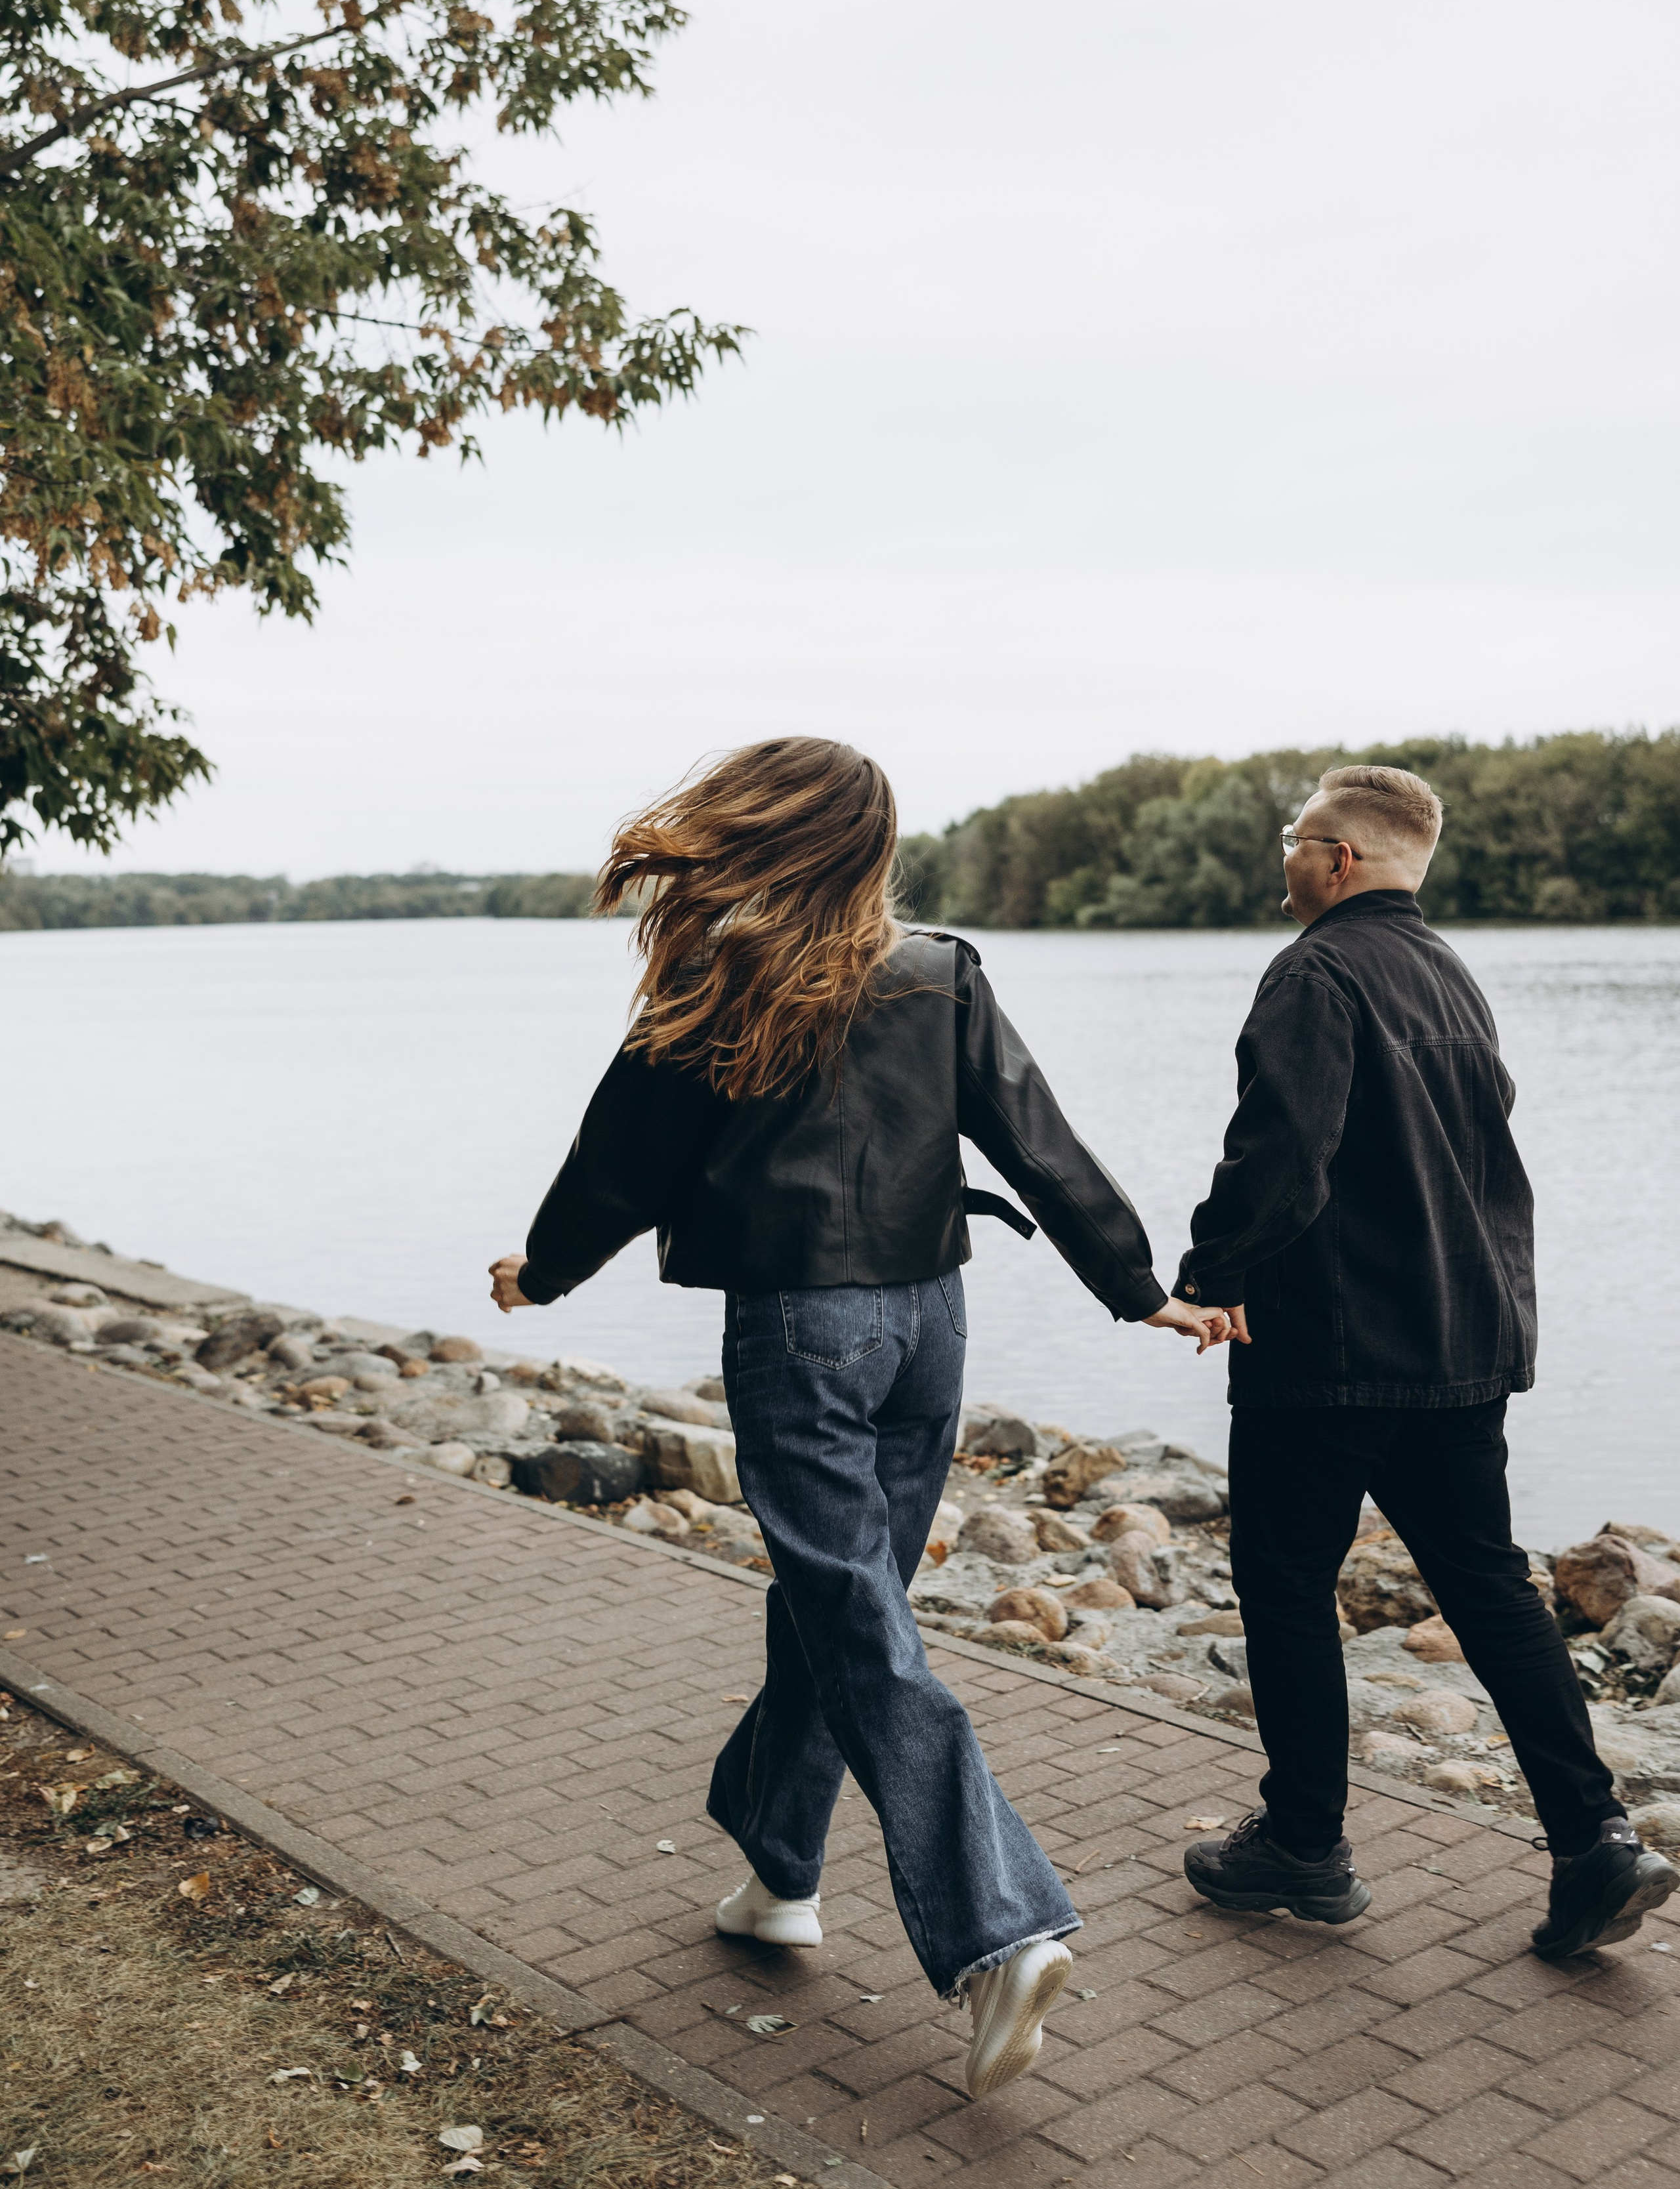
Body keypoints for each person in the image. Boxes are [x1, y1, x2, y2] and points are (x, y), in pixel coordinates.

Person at [489, 736, 1219, 2095]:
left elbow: (617, 1160)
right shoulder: (937, 970)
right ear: (865, 850)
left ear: (762, 836)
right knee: (839, 1600)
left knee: (857, 1621)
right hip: (926, 1321)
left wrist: (542, 1269)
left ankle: (1002, 1932)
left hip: (798, 1327)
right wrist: (1136, 1288)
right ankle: (777, 1872)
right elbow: (1036, 1139)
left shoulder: (717, 978)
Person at [1175, 762, 1677, 1960]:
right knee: (1493, 1591)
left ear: (1338, 860)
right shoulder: (1451, 973)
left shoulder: (1316, 971)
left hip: (1336, 1352)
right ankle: (1595, 1840)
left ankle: (1304, 1843)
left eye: (1297, 842)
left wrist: (1209, 1278)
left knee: (1288, 1586)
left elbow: (1283, 1152)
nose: (1286, 860)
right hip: (1463, 1343)